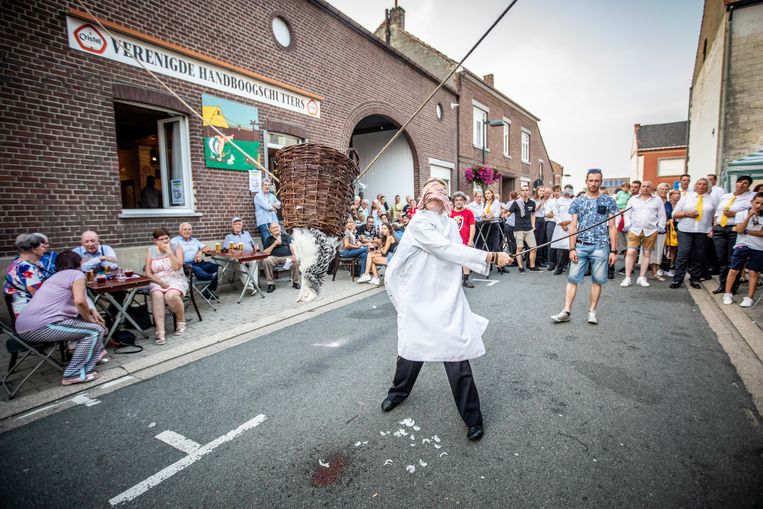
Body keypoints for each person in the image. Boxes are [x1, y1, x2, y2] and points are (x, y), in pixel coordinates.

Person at [380, 178, 512, 441]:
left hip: (445, 296)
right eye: (430, 191)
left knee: (455, 355)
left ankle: (473, 418)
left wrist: (484, 258)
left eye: (440, 190)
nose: (435, 195)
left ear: (446, 197)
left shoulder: (451, 223)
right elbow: (443, 249)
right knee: (411, 350)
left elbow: (457, 251)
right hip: (419, 296)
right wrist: (490, 256)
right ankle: (398, 393)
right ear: (423, 197)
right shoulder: (419, 222)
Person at [14, 251, 107, 386]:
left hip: (25, 327)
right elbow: (80, 301)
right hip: (41, 327)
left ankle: (94, 356)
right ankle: (73, 374)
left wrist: (92, 311)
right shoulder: (77, 274)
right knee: (95, 330)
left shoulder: (54, 277)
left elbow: (82, 299)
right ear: (79, 263)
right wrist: (89, 319)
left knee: (88, 327)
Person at [551, 169, 618, 325]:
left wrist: (614, 250)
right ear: (586, 181)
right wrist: (572, 248)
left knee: (597, 280)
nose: (593, 183)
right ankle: (566, 311)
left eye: (597, 181)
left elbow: (613, 227)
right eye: (591, 180)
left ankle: (592, 312)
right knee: (572, 278)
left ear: (601, 182)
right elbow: (573, 226)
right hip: (581, 245)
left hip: (601, 246)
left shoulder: (608, 201)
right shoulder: (578, 201)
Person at [670, 178, 717, 289]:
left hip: (703, 231)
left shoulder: (712, 199)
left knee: (699, 256)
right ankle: (677, 279)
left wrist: (713, 229)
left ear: (708, 186)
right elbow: (674, 214)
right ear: (695, 185)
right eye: (699, 184)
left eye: (704, 184)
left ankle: (695, 279)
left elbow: (716, 216)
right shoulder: (686, 197)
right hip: (686, 230)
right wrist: (686, 213)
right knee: (683, 255)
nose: (701, 186)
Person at [712, 175, 754, 295]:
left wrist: (735, 213)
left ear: (748, 186)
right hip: (720, 228)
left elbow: (752, 213)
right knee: (721, 259)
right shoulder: (726, 196)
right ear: (736, 183)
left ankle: (731, 288)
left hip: (734, 229)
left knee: (733, 259)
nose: (741, 185)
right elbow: (717, 211)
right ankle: (722, 284)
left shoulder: (750, 197)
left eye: (745, 183)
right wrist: (715, 225)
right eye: (739, 182)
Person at [145, 228, 188, 345]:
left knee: (170, 295)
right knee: (157, 296)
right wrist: (160, 282)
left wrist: (169, 252)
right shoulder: (151, 251)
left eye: (166, 238)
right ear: (155, 241)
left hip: (176, 278)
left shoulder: (176, 247)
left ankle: (181, 320)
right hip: (158, 280)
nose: (165, 241)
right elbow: (148, 273)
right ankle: (160, 331)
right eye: (161, 239)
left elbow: (178, 267)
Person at [621, 181, 666, 288]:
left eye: (648, 187)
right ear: (641, 188)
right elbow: (627, 214)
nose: (646, 188)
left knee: (646, 254)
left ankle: (642, 277)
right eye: (644, 186)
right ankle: (627, 278)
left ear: (652, 188)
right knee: (631, 252)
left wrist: (660, 227)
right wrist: (628, 225)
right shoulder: (633, 199)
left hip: (651, 230)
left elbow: (662, 215)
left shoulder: (657, 200)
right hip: (634, 229)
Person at [722, 192, 763, 307]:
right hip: (742, 245)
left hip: (759, 247)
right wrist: (749, 216)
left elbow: (762, 233)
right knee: (734, 269)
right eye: (757, 203)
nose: (759, 206)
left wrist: (747, 231)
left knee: (753, 272)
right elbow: (739, 229)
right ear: (752, 202)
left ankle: (749, 298)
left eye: (762, 204)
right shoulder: (741, 214)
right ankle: (727, 293)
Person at [3, 233, 49, 319]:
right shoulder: (26, 268)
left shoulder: (16, 263)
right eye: (42, 246)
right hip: (31, 316)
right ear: (34, 249)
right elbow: (39, 295)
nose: (44, 249)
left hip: (27, 312)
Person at [172, 223, 219, 295]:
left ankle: (207, 290)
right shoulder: (175, 241)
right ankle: (213, 277)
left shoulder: (194, 240)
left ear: (191, 231)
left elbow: (206, 248)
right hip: (185, 265)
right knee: (197, 269)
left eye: (189, 229)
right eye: (185, 229)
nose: (187, 231)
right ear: (180, 231)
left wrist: (200, 252)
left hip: (197, 262)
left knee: (216, 267)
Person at [641, 183, 671, 281]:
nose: (664, 191)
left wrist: (668, 222)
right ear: (657, 190)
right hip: (650, 230)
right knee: (647, 252)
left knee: (658, 253)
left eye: (666, 189)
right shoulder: (653, 200)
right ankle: (642, 275)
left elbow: (669, 216)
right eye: (661, 189)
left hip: (662, 231)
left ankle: (654, 273)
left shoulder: (668, 203)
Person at [506, 186, 539, 273]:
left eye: (526, 190)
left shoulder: (532, 203)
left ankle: (532, 266)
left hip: (529, 229)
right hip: (519, 229)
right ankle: (520, 267)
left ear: (529, 192)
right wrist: (504, 215)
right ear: (520, 192)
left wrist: (533, 225)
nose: (524, 192)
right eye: (523, 190)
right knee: (519, 248)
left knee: (534, 248)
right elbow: (509, 212)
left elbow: (533, 214)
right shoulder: (516, 203)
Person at [262, 223, 300, 293]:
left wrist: (294, 255)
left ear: (279, 228)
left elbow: (292, 247)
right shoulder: (268, 239)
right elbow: (265, 252)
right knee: (266, 260)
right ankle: (271, 284)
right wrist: (274, 244)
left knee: (296, 261)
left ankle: (296, 282)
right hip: (274, 257)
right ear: (270, 230)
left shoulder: (286, 236)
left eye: (276, 227)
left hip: (286, 257)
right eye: (273, 228)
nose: (275, 229)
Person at [223, 217, 258, 293]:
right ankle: (249, 287)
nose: (238, 226)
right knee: (240, 264)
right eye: (235, 224)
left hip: (249, 255)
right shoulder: (228, 237)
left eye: (239, 224)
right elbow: (225, 249)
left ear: (242, 225)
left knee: (254, 262)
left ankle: (252, 283)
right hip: (237, 257)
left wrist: (255, 246)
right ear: (232, 226)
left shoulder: (247, 233)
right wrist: (233, 246)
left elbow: (253, 244)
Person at [450, 191, 477, 288]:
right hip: (453, 241)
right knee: (453, 260)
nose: (458, 202)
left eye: (461, 200)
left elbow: (472, 227)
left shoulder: (468, 212)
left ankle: (466, 279)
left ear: (464, 201)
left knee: (466, 260)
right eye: (456, 200)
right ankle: (453, 280)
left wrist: (470, 240)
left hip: (465, 240)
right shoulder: (450, 213)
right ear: (453, 201)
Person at [550, 185, 574, 275]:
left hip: (571, 226)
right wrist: (561, 223)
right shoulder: (558, 201)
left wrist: (569, 221)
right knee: (561, 249)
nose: (567, 194)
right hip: (560, 227)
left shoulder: (574, 201)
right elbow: (555, 213)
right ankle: (559, 267)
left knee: (571, 247)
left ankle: (572, 268)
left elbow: (575, 214)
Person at [480, 189, 503, 266]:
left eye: (489, 193)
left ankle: (500, 265)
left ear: (492, 194)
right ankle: (489, 265)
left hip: (493, 225)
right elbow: (482, 212)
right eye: (485, 193)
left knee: (496, 246)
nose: (487, 195)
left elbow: (498, 213)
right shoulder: (484, 203)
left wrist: (492, 215)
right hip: (486, 225)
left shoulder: (496, 202)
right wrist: (483, 215)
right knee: (487, 246)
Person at [664, 189, 681, 277]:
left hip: (677, 226)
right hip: (666, 226)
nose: (677, 195)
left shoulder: (681, 204)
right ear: (670, 195)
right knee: (665, 247)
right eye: (675, 193)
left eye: (678, 194)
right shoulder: (666, 204)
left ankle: (670, 266)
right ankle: (663, 266)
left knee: (673, 247)